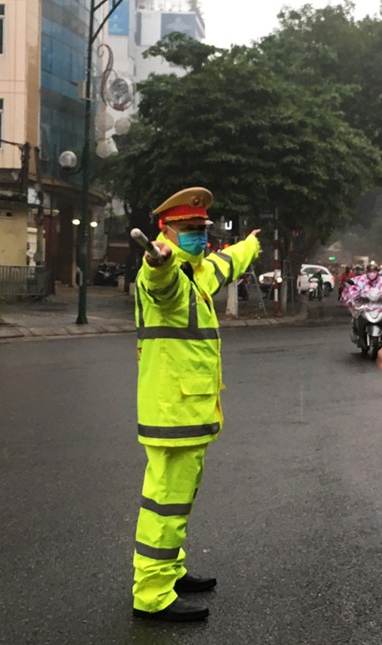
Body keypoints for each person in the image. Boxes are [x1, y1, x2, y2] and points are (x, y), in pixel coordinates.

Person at [131, 187, 261, 622]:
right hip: (174, 412)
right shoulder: (166, 273)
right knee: (165, 502)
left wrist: (252, 243)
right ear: (164, 231)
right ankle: (152, 594)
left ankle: (170, 569)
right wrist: (158, 264)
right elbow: (160, 285)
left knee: (178, 500)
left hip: (190, 412)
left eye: (203, 230)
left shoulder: (198, 271)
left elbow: (227, 264)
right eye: (189, 230)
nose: (199, 238)